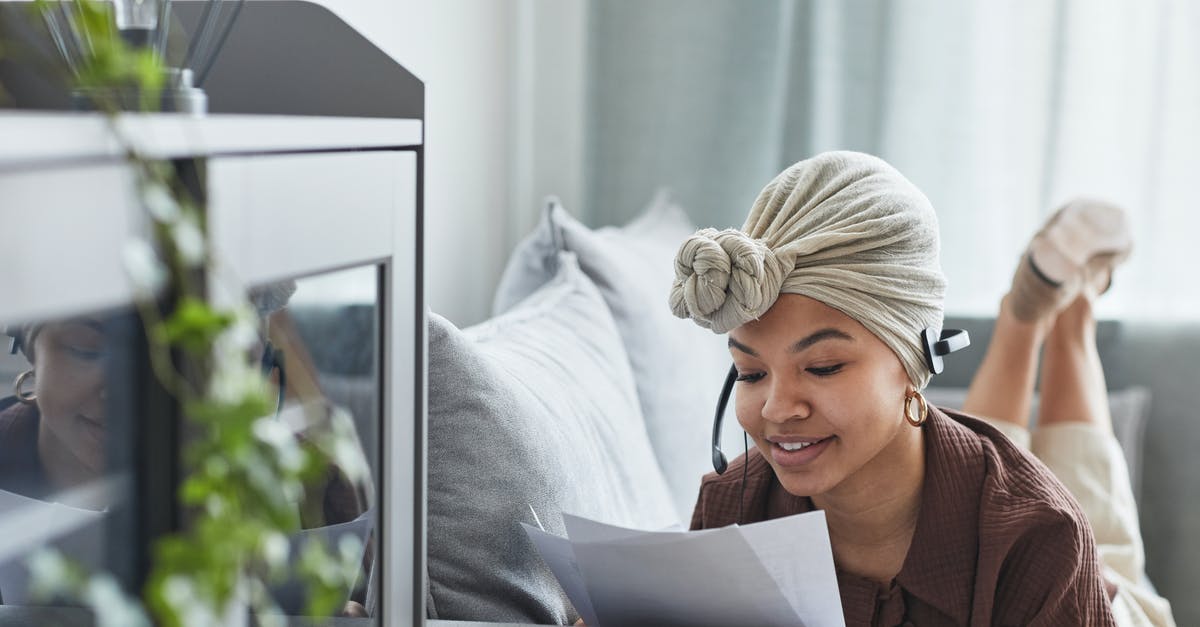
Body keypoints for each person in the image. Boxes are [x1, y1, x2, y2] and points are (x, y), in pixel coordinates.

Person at [671, 152, 1175, 626]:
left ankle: (1068, 313)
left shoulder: (1043, 538)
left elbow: (1034, 527)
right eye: (751, 374)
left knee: (1100, 528)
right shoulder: (728, 512)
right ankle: (1029, 313)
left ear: (915, 362)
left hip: (1106, 602)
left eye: (823, 367)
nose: (778, 410)